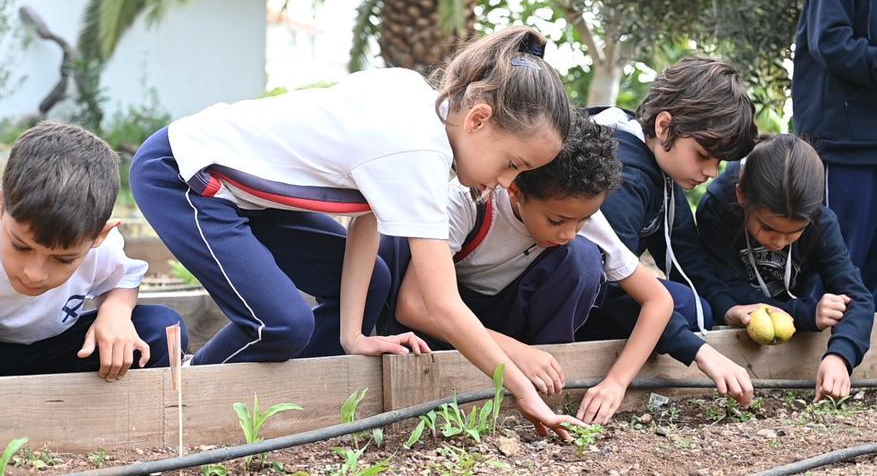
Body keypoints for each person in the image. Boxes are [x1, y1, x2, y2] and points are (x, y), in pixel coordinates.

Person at [130, 27, 584, 438]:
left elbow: (366, 214)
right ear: (478, 119)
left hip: (249, 194)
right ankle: (177, 401)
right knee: (281, 324)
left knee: (376, 281)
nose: (506, 183)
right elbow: (443, 305)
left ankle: (288, 404)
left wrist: (353, 335)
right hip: (186, 176)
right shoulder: (417, 149)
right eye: (513, 164)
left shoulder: (421, 104)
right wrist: (522, 390)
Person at [381, 115, 673, 425]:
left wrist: (616, 382)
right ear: (515, 191)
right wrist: (515, 352)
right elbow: (412, 306)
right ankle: (522, 372)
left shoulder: (576, 213)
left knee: (582, 258)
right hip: (447, 326)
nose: (569, 233)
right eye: (557, 221)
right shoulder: (468, 199)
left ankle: (547, 382)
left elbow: (659, 300)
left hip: (513, 323)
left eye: (583, 220)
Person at [578, 56, 758, 406]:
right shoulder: (621, 175)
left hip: (607, 290)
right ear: (664, 127)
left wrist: (728, 309)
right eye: (704, 154)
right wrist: (699, 350)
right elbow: (608, 282)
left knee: (697, 304)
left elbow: (687, 255)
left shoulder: (664, 172)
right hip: (570, 300)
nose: (711, 172)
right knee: (686, 306)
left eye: (719, 162)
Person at [0, 122, 187, 378]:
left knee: (160, 329)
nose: (34, 273)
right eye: (21, 247)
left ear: (99, 236)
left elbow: (123, 279)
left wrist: (116, 312)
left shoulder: (101, 245)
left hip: (60, 353)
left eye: (62, 259)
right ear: (1, 206)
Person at [697, 134, 874, 401]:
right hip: (730, 328)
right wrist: (807, 314)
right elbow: (730, 291)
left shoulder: (822, 223)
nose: (779, 242)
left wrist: (840, 356)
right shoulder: (717, 210)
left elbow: (859, 297)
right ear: (742, 196)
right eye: (767, 228)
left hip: (791, 321)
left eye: (794, 233)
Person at [792, 0, 877, 311]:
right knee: (835, 272)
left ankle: (865, 359)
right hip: (844, 142)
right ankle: (823, 360)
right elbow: (830, 40)